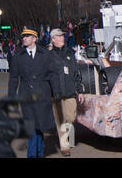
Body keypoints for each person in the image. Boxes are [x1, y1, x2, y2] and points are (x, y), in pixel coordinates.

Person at [8, 26, 61, 158]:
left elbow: (52, 75)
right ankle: (32, 155)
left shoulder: (45, 54)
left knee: (39, 126)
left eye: (27, 36)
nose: (24, 38)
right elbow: (14, 78)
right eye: (23, 36)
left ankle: (39, 152)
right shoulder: (18, 56)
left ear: (34, 39)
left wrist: (57, 93)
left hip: (43, 94)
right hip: (26, 95)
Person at [48, 28, 83, 157]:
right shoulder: (49, 56)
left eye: (63, 36)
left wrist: (80, 90)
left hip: (69, 91)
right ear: (53, 39)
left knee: (71, 117)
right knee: (60, 120)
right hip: (56, 93)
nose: (62, 38)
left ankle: (69, 137)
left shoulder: (70, 53)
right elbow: (47, 75)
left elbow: (75, 73)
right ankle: (65, 146)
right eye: (59, 36)